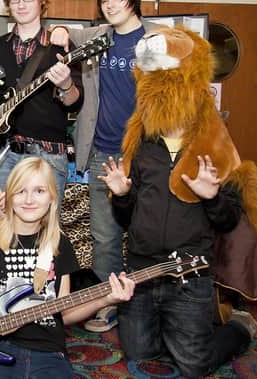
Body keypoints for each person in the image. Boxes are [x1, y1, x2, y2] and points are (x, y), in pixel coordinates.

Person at [0, 157, 135, 379]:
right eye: (21, 191)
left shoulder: (59, 244)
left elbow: (63, 311)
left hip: (48, 350)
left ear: (51, 198)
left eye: (39, 191)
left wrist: (106, 300)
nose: (29, 200)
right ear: (9, 196)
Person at [49, 0, 160, 332]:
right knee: (105, 236)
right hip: (102, 154)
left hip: (146, 156)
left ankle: (153, 302)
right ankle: (110, 301)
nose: (110, 5)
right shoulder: (98, 37)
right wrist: (62, 33)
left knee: (150, 232)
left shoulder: (156, 39)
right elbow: (65, 33)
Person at [101, 150, 256, 377]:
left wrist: (212, 198)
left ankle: (240, 327)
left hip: (190, 275)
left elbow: (228, 220)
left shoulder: (214, 147)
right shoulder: (140, 148)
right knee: (139, 354)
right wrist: (122, 197)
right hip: (142, 275)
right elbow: (126, 220)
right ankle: (172, 330)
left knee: (195, 365)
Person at [0, 0, 83, 222]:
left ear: (42, 0)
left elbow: (75, 101)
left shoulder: (60, 46)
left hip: (48, 154)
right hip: (2, 152)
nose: (21, 4)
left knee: (45, 230)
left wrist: (65, 85)